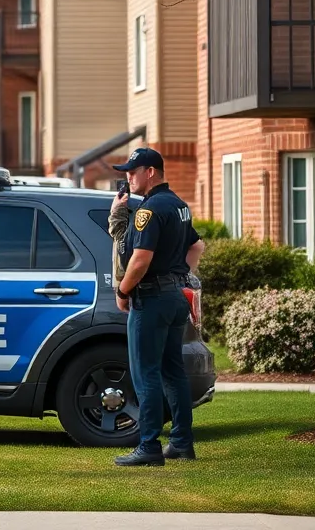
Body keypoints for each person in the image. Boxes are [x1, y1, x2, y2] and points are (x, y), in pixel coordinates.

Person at [111, 147, 206, 467]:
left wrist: (123, 290)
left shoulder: (149, 209)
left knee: (146, 374)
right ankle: (181, 443)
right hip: (174, 297)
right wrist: (179, 277)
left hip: (151, 299)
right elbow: (197, 245)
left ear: (150, 172)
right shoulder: (179, 205)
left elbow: (140, 260)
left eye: (132, 172)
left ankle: (149, 446)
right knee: (172, 372)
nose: (129, 178)